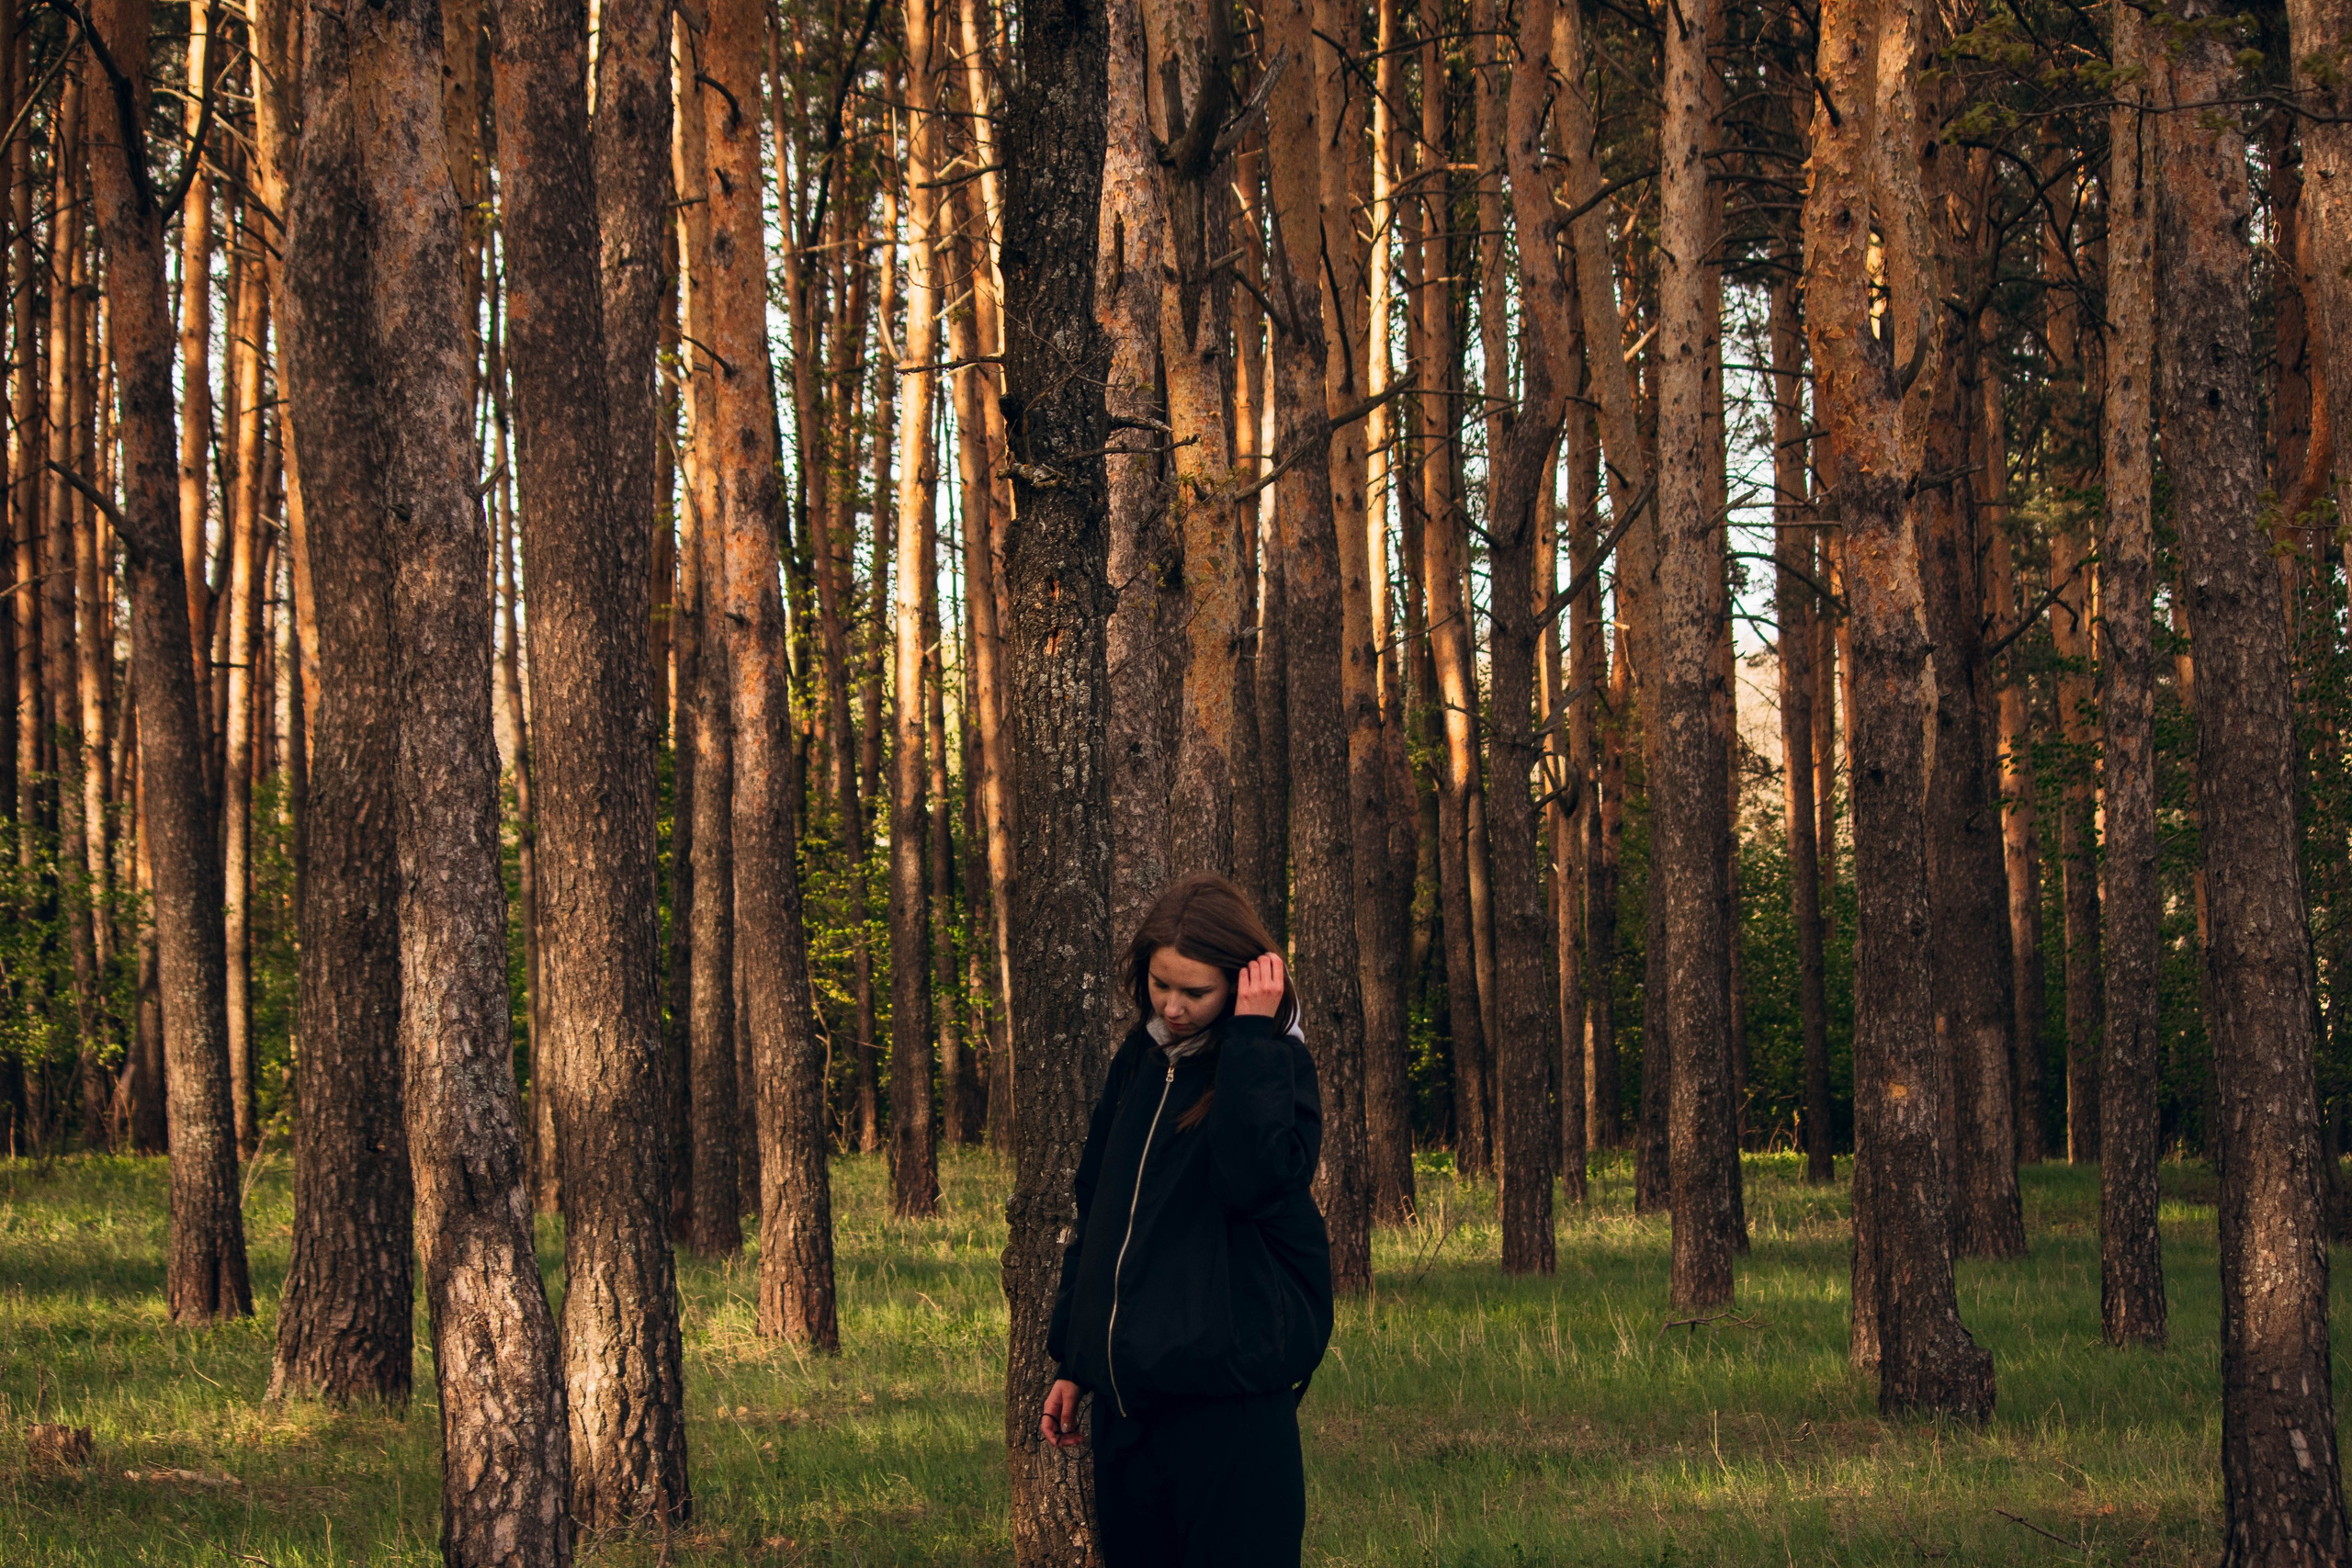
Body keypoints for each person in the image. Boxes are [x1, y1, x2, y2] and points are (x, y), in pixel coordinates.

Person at [1040, 873, 1333, 1567]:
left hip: (1230, 1411)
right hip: (1130, 1411)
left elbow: (1252, 1182)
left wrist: (1254, 1040)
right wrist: (1075, 1359)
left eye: (1195, 991)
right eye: (1159, 983)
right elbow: (1099, 1213)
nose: (1172, 1006)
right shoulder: (1137, 1063)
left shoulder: (1275, 1067)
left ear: (1242, 981)